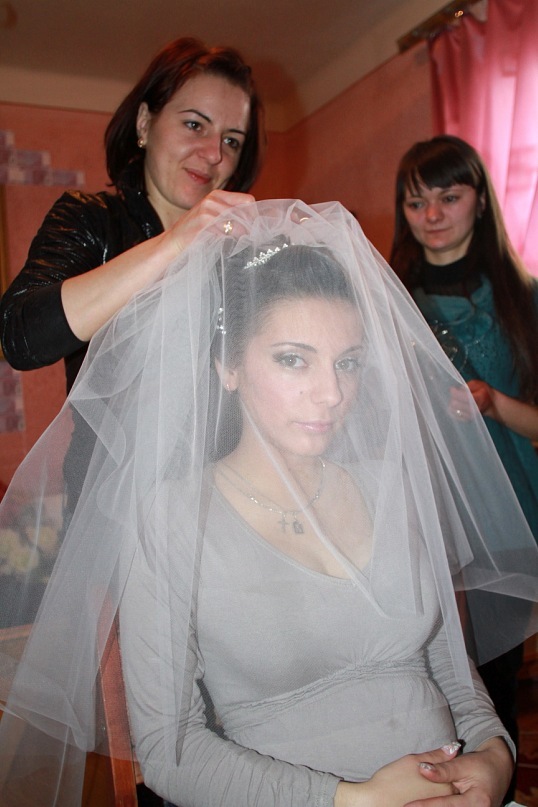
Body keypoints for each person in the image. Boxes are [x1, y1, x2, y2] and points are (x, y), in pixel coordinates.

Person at [0, 200, 537, 807]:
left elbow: (456, 681)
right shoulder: (173, 518)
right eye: (293, 359)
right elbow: (171, 749)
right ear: (227, 366)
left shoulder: (392, 486)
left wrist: (495, 759)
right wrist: (352, 799)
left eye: (348, 362)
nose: (331, 392)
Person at [390, 134, 538, 803]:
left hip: (509, 517)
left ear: (479, 200)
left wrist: (494, 403)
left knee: (493, 680)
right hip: (417, 517)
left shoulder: (522, 299)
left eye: (448, 197)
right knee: (421, 678)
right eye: (416, 201)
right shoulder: (384, 298)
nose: (432, 215)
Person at [0, 36, 264, 394]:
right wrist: (173, 244)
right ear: (144, 124)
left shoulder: (244, 253)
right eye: (194, 125)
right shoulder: (91, 219)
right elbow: (19, 336)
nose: (214, 153)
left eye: (231, 141)